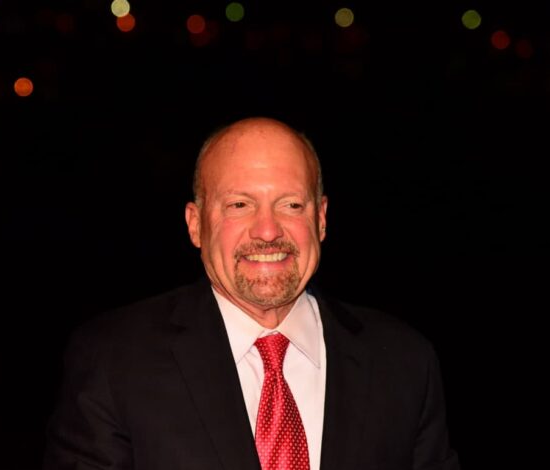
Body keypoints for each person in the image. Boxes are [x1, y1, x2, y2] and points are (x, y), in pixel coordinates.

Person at [43, 117, 460, 470]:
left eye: (291, 205)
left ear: (321, 219)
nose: (267, 230)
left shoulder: (405, 364)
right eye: (239, 205)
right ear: (195, 224)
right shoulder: (114, 362)